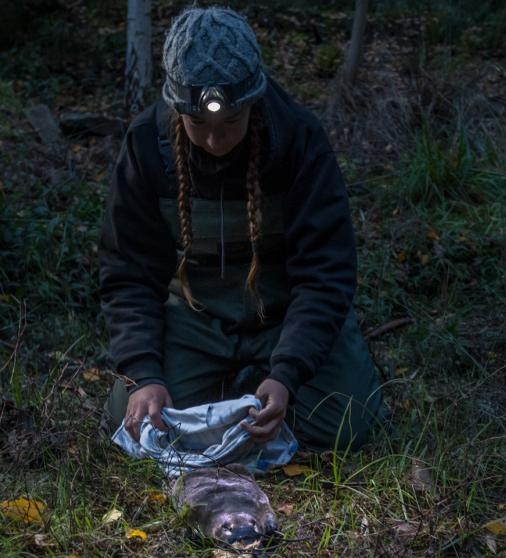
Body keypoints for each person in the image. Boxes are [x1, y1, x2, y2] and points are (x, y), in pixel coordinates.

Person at [99, 6, 383, 452]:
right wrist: (144, 374)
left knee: (349, 424)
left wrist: (287, 371)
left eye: (230, 122)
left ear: (253, 101)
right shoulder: (144, 145)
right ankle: (228, 379)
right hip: (195, 318)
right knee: (136, 419)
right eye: (198, 125)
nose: (215, 141)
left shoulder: (299, 139)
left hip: (282, 315)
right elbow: (129, 275)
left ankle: (260, 379)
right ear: (178, 111)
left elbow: (325, 275)